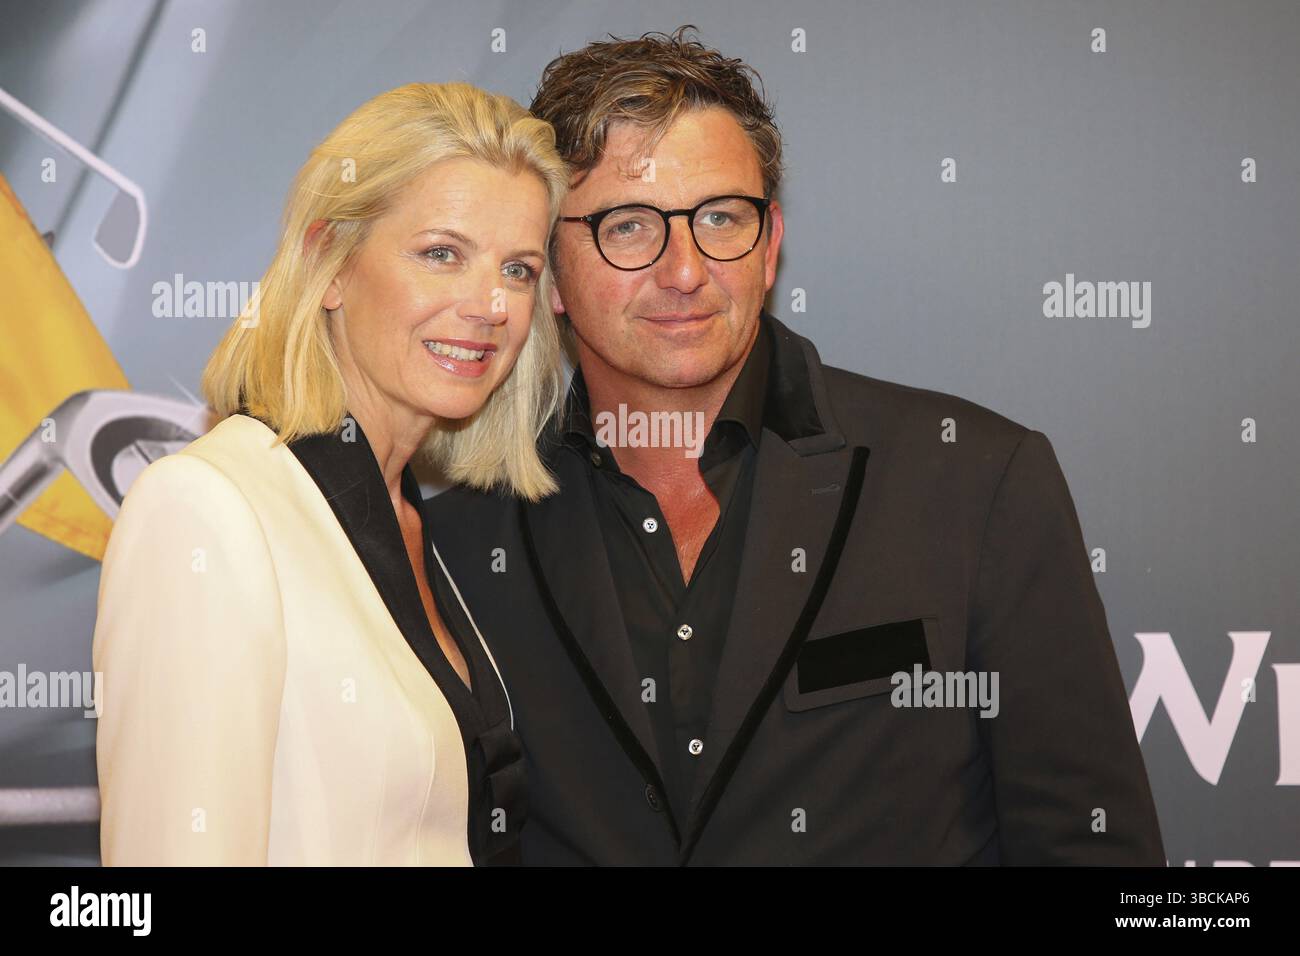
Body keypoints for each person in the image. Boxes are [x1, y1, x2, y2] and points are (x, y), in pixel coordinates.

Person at [425, 27, 1167, 864]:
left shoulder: (975, 484)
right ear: (552, 269)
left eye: (720, 217)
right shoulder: (455, 545)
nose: (684, 269)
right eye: (629, 226)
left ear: (771, 243)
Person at [93, 82, 568, 865]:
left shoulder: (415, 522)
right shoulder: (206, 510)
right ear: (329, 262)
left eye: (518, 269)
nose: (490, 304)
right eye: (441, 253)